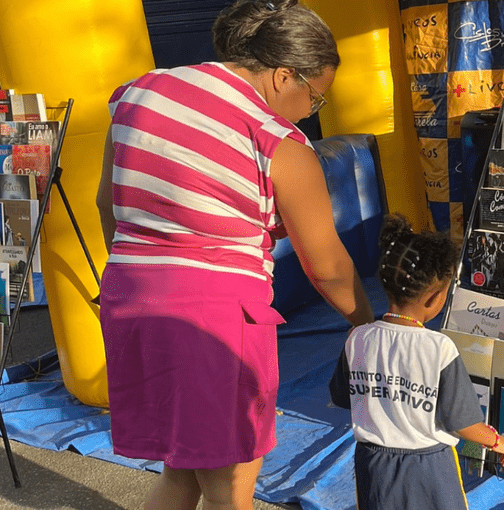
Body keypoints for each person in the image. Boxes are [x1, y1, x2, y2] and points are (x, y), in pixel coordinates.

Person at [95, 1, 374, 509]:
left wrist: (143, 269)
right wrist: (367, 324)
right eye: (315, 97)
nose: (311, 112)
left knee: (180, 471)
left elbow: (106, 204)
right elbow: (327, 267)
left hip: (130, 297)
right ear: (284, 75)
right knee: (230, 488)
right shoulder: (277, 139)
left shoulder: (140, 91)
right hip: (215, 319)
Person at [328, 213, 504, 510]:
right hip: (430, 468)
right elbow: (463, 422)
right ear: (434, 298)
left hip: (373, 467)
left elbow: (341, 396)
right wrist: (495, 440)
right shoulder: (439, 348)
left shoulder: (358, 338)